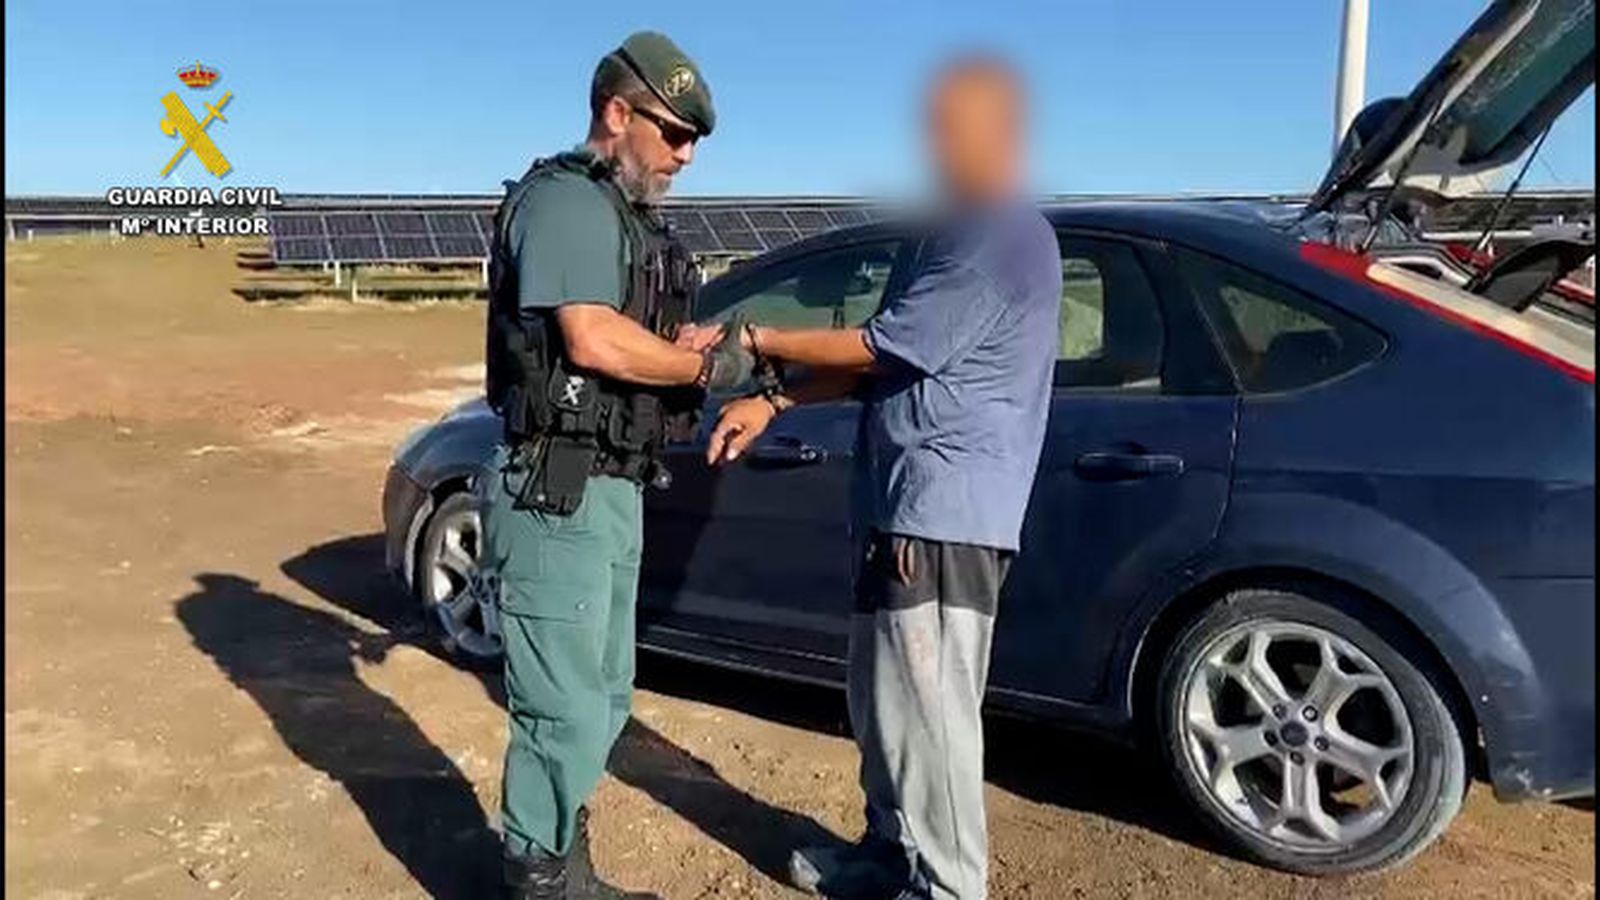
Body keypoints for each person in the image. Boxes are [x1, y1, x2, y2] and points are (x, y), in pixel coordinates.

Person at [706, 58, 1062, 900]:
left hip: (943, 519)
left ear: (1001, 134)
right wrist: (775, 400)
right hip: (898, 510)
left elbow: (885, 345)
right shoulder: (948, 231)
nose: (934, 142)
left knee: (930, 722)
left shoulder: (1000, 233)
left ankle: (946, 886)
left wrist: (757, 340)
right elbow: (883, 364)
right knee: (885, 706)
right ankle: (886, 853)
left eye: (953, 125)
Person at [479, 31, 752, 900]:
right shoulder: (566, 202)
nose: (685, 156)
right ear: (616, 113)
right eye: (673, 134)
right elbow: (590, 338)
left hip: (608, 485)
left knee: (599, 698)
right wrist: (707, 368)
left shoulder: (623, 219)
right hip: (556, 490)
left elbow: (618, 336)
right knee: (559, 705)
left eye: (694, 141)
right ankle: (538, 875)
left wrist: (678, 348)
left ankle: (562, 860)